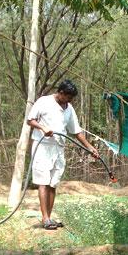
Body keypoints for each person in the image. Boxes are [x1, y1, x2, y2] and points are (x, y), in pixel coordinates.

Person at [27, 80, 99, 230]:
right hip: (43, 146)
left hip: (58, 148)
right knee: (43, 181)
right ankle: (45, 218)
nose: (70, 100)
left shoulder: (69, 108)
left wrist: (89, 147)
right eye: (68, 97)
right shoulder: (44, 102)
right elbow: (30, 120)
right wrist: (43, 128)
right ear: (60, 93)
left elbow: (76, 131)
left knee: (53, 183)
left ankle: (50, 218)